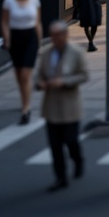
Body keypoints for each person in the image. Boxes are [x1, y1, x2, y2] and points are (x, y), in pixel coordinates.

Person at [34, 20, 88, 191]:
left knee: (71, 141)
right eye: (52, 35)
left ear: (65, 35)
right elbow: (38, 76)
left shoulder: (76, 53)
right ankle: (60, 177)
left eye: (57, 35)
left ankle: (78, 159)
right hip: (51, 106)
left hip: (70, 106)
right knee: (55, 145)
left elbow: (83, 75)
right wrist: (40, 83)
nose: (54, 38)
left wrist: (64, 82)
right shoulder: (46, 53)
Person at [1, 0, 42, 125]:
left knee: (25, 74)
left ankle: (26, 108)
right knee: (19, 73)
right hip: (15, 37)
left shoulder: (35, 1)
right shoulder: (9, 2)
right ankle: (24, 98)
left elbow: (37, 22)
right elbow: (4, 22)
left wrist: (39, 41)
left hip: (30, 37)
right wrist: (7, 38)